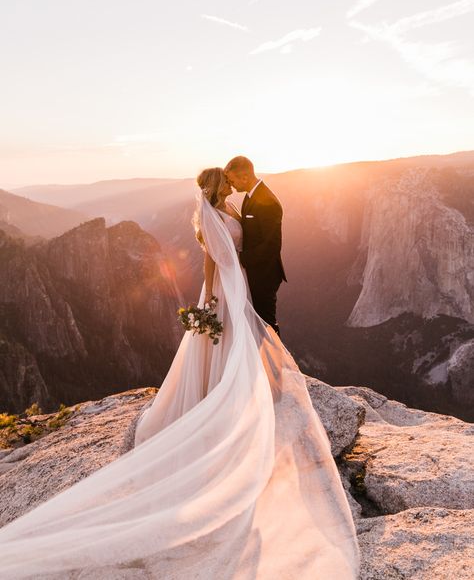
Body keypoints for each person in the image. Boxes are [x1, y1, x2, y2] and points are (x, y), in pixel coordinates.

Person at [0, 167, 360, 579]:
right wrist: (208, 299)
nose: (230, 182)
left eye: (231, 178)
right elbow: (210, 258)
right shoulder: (214, 212)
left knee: (242, 339)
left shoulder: (231, 205)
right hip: (226, 287)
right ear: (216, 186)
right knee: (234, 340)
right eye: (225, 180)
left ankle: (237, 386)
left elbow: (251, 246)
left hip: (239, 284)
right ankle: (226, 395)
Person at [224, 156, 286, 337]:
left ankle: (276, 363)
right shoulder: (250, 196)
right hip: (255, 271)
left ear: (244, 177)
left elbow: (272, 246)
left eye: (232, 180)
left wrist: (241, 259)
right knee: (257, 323)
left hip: (264, 275)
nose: (231, 184)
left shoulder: (268, 202)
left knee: (266, 324)